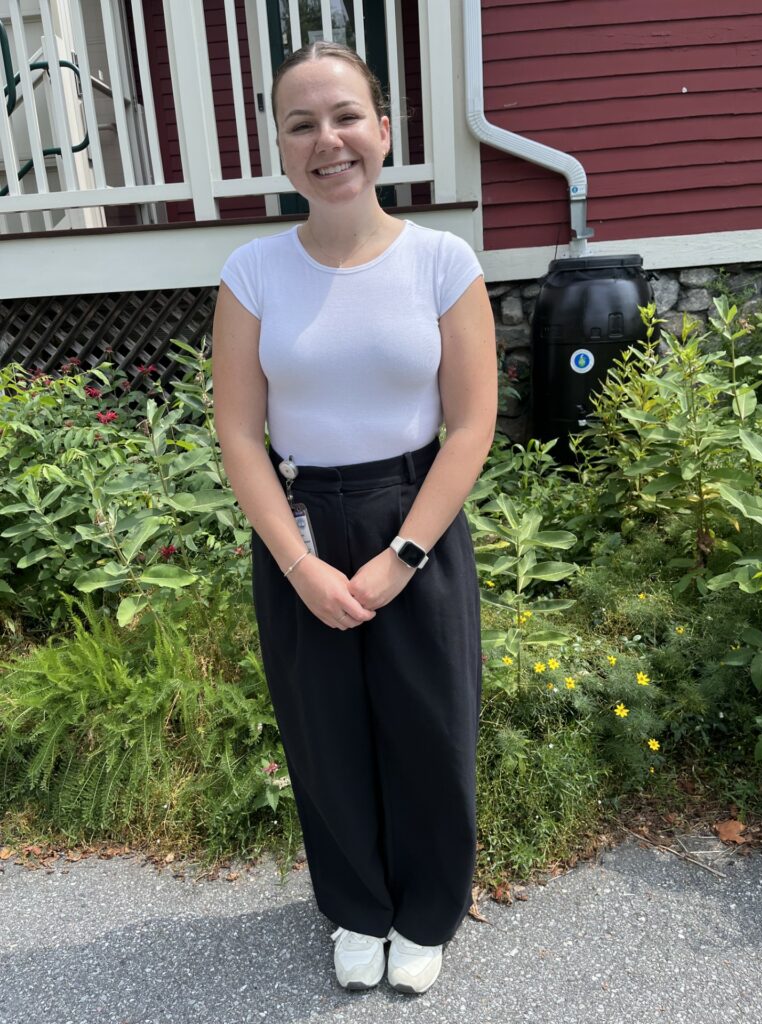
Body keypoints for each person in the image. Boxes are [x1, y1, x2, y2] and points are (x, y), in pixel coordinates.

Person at [212, 40, 496, 995]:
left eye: (345, 117)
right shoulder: (252, 273)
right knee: (323, 732)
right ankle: (358, 907)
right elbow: (241, 437)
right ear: (281, 147)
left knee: (429, 725)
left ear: (383, 128)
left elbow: (472, 424)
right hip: (301, 525)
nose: (326, 140)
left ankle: (425, 913)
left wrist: (402, 554)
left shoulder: (442, 263)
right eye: (301, 124)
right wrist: (299, 564)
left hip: (414, 513)